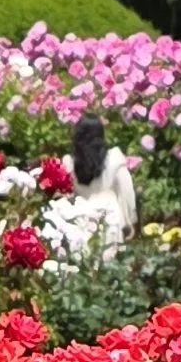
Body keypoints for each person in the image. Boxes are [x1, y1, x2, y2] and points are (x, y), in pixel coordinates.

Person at [41, 112, 138, 270]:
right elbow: (126, 192)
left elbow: (68, 194)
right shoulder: (113, 159)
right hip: (111, 217)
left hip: (82, 218)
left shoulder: (70, 163)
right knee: (109, 266)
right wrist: (129, 220)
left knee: (85, 265)